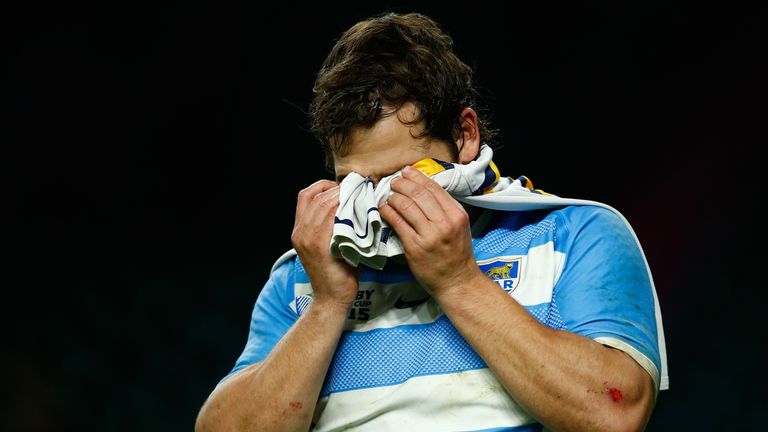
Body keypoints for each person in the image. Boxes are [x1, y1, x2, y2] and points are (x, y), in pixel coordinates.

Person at [195, 11, 669, 432]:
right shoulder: (305, 270)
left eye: (400, 175)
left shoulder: (577, 232)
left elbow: (615, 416)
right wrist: (325, 305)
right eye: (354, 181)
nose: (377, 203)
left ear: (464, 136)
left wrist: (459, 281)